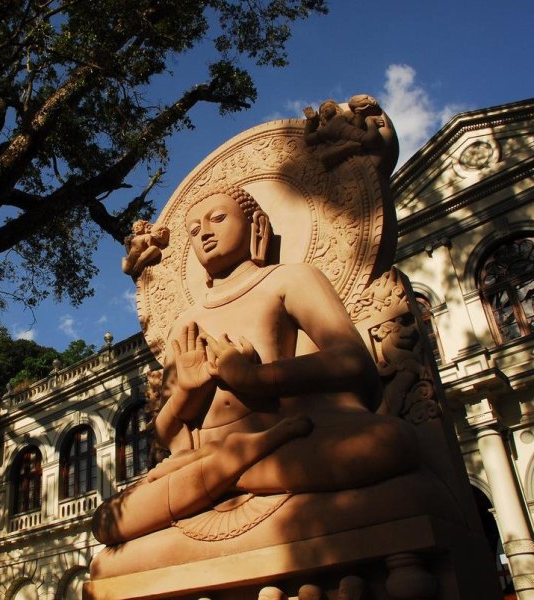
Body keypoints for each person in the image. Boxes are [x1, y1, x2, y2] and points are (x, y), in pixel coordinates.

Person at [91, 186, 419, 546]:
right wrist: (187, 389)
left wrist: (257, 378)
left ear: (256, 225)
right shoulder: (185, 322)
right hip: (209, 455)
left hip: (290, 437)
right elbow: (168, 433)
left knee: (388, 443)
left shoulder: (289, 280)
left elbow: (354, 362)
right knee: (106, 521)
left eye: (218, 218)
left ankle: (223, 474)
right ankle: (233, 468)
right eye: (196, 231)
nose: (207, 233)